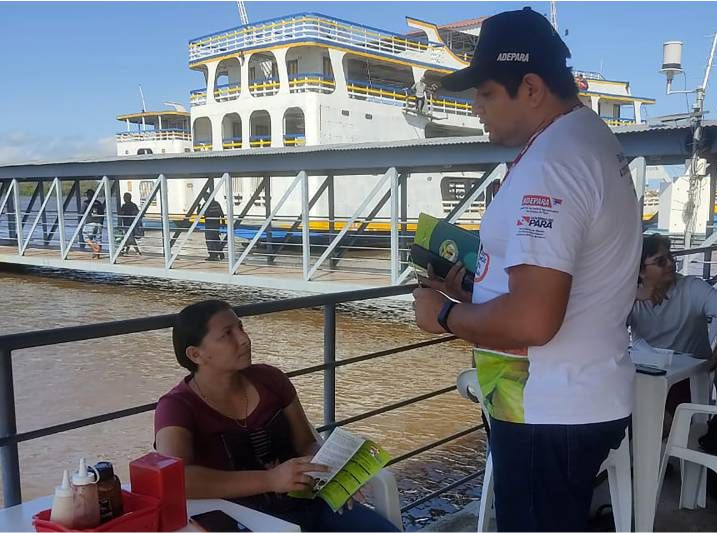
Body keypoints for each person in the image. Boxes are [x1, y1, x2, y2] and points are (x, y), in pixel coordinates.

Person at [412, 8, 642, 531]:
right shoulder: (589, 141)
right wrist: (478, 290)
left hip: (548, 410)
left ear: (532, 87)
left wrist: (443, 314)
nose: (476, 107)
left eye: (487, 93)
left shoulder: (553, 165)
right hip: (571, 399)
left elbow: (535, 321)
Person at [154, 300, 398, 532]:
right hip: (239, 518)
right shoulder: (176, 406)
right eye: (227, 334)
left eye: (241, 328)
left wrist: (332, 473)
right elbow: (178, 479)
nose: (244, 339)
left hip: (308, 503)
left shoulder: (271, 380)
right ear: (195, 355)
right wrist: (270, 480)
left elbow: (306, 443)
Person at [629, 234, 717, 417]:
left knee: (643, 416)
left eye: (671, 257)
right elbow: (604, 332)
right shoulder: (628, 295)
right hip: (644, 377)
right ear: (641, 271)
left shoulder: (691, 287)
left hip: (686, 380)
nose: (670, 264)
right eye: (660, 261)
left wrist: (716, 358)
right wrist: (632, 298)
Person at [81, 189, 105, 259]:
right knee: (98, 239)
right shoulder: (99, 203)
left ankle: (95, 249)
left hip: (90, 222)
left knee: (86, 237)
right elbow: (102, 213)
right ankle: (97, 255)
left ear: (88, 195)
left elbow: (82, 212)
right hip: (99, 223)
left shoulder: (86, 202)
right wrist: (101, 223)